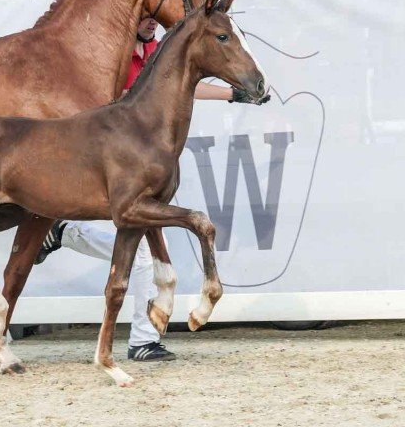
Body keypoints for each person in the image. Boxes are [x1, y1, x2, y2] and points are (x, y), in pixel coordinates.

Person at [35, 18, 269, 362]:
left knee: (142, 246)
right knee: (142, 255)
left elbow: (182, 85)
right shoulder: (116, 54)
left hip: (144, 155)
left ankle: (67, 236)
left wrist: (233, 94)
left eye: (153, 20)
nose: (150, 24)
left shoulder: (153, 52)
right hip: (108, 154)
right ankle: (141, 339)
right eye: (144, 18)